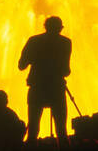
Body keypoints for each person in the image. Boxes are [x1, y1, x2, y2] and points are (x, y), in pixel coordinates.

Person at [19, 16, 71, 149]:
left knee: (33, 129)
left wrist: (35, 58)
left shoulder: (34, 41)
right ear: (60, 28)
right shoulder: (65, 43)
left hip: (37, 88)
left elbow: (21, 65)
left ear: (45, 26)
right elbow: (66, 71)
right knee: (61, 130)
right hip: (56, 88)